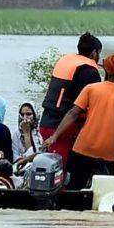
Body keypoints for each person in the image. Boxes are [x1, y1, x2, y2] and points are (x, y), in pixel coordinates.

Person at [44, 54, 114, 191]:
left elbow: (73, 113)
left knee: (73, 189)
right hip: (107, 154)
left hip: (82, 149)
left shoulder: (91, 89)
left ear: (107, 72)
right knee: (103, 192)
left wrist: (54, 136)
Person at [38, 32, 103, 164]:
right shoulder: (90, 71)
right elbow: (93, 107)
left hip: (45, 123)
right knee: (63, 169)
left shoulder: (65, 61)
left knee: (54, 165)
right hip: (64, 129)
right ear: (94, 53)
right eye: (99, 53)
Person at [11, 102, 43, 170]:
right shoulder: (17, 133)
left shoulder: (40, 133)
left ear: (35, 115)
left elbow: (37, 158)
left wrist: (27, 134)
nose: (25, 117)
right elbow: (15, 156)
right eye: (22, 114)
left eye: (28, 114)